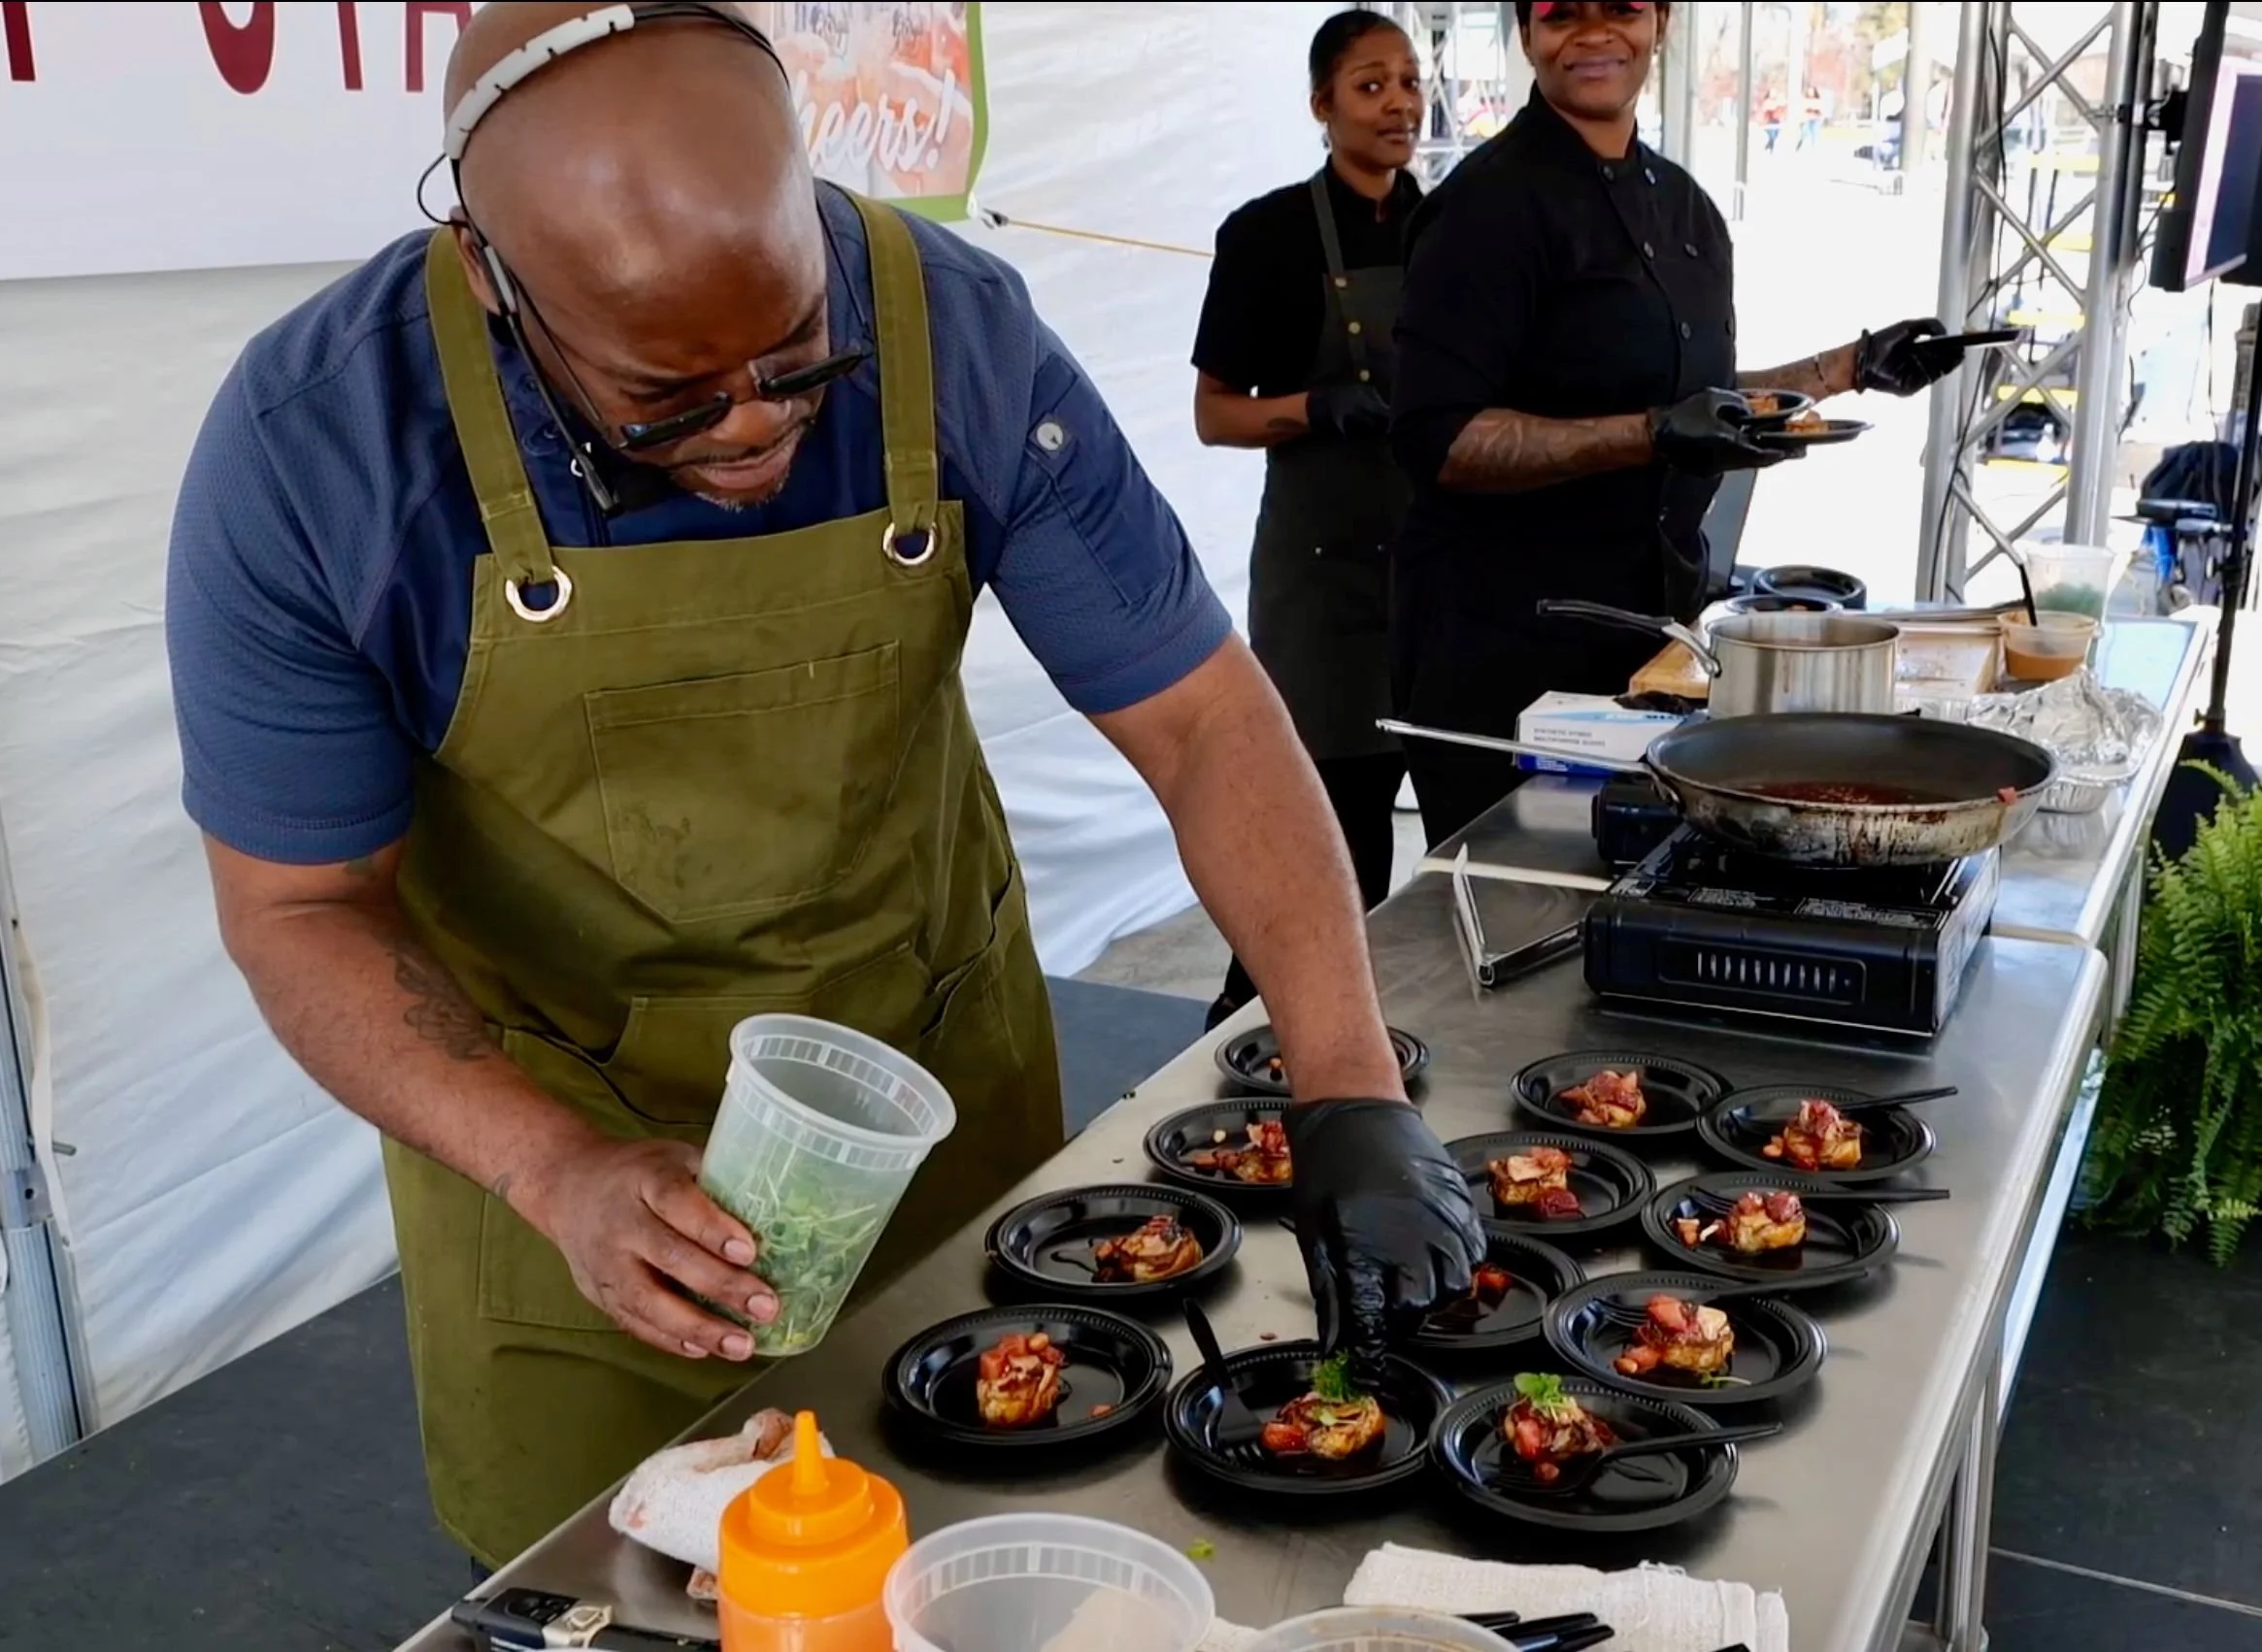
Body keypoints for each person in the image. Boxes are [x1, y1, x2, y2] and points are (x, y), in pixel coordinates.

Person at [166, 1, 1480, 1569]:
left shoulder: (950, 326)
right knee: (631, 1593)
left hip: (931, 1089)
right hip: (581, 1163)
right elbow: (298, 904)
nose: (756, 433)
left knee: (992, 1563)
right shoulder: (318, 446)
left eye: (800, 361)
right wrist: (551, 1166)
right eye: (669, 399)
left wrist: (1347, 1084)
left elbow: (1202, 717)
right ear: (492, 275)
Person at [1386, 0, 1982, 847]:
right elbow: (1440, 439)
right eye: (1561, 13)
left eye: (1622, 9)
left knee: (1634, 892)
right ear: (1526, 34)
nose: (1594, 33)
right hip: (1502, 652)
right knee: (1519, 898)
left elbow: (1695, 397)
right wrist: (1654, 433)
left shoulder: (1686, 208)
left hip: (1653, 640)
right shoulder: (1483, 208)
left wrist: (1849, 369)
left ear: (1661, 22)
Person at [1188, 10, 1424, 1031]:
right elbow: (1214, 416)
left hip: (1432, 574)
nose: (1398, 104)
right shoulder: (1267, 236)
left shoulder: (1455, 231)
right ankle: (1245, 1035)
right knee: (1332, 846)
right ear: (1321, 105)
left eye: (1409, 82)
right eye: (1370, 85)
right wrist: (1315, 409)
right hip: (1321, 587)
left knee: (1449, 840)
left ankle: (1378, 1041)